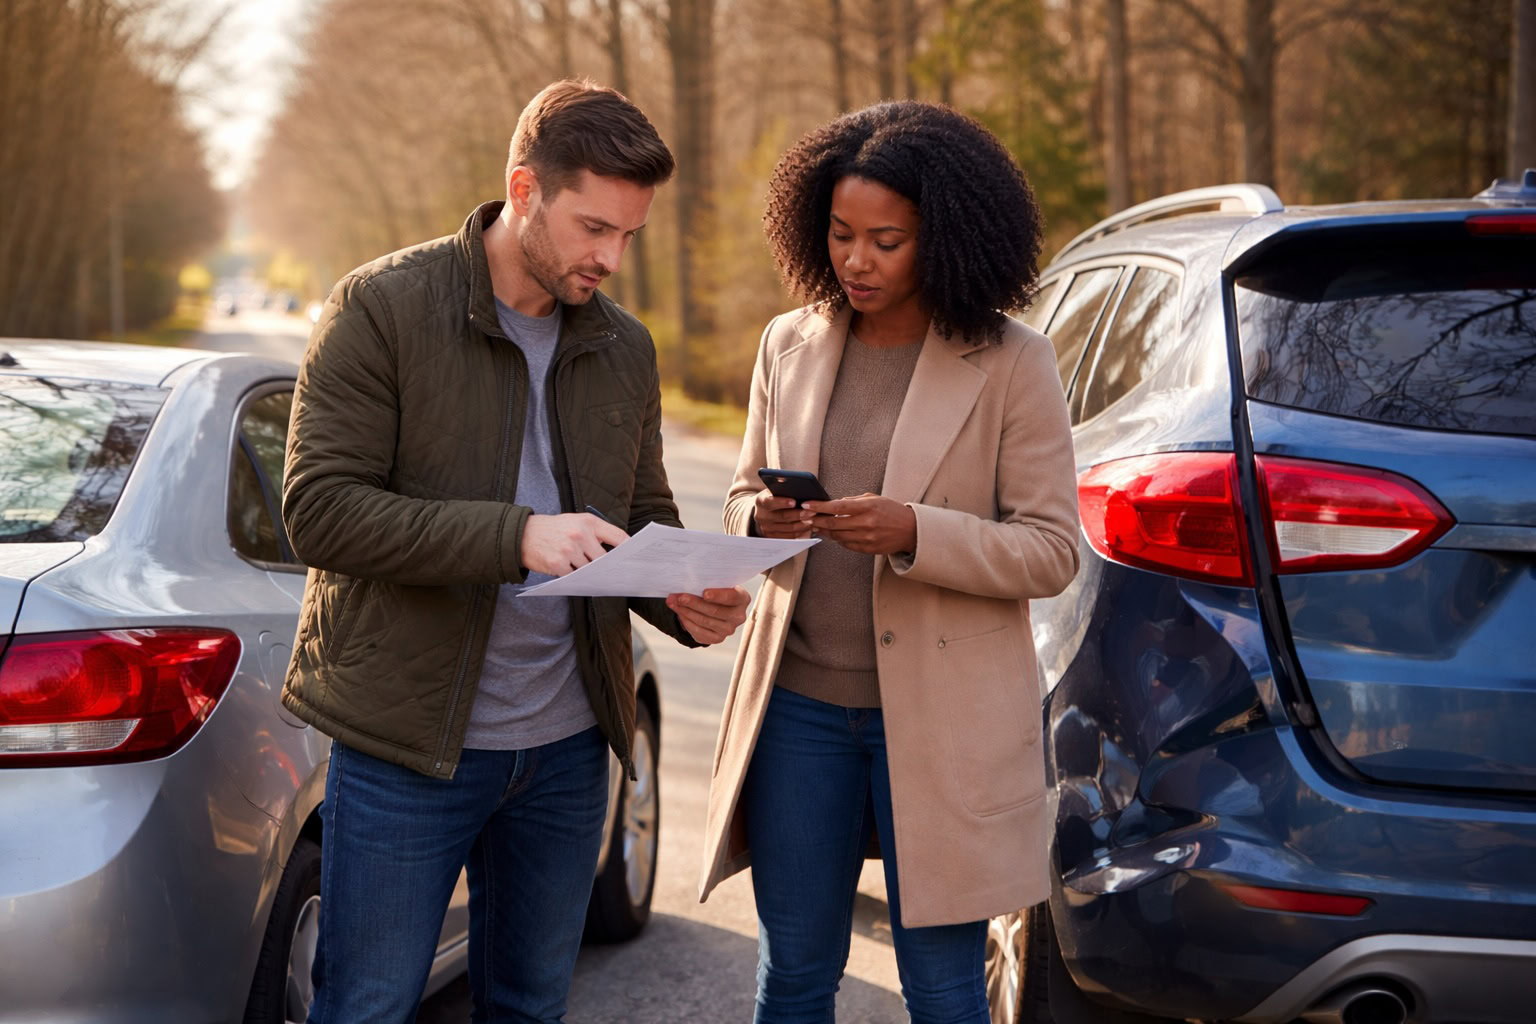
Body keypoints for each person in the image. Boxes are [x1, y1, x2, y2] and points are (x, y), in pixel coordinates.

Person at [280, 79, 749, 1023]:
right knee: (366, 1007)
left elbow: (640, 513)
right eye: (592, 228)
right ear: (523, 188)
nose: (611, 257)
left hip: (570, 748)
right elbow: (320, 511)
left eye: (629, 235)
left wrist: (685, 599)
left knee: (531, 1008)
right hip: (407, 748)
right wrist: (518, 535)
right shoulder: (380, 308)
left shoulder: (624, 348)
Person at [699, 101, 1081, 1023]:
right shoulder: (786, 343)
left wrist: (914, 531)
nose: (856, 261)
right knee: (792, 975)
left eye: (886, 240)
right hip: (797, 712)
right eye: (839, 235)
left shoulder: (1014, 362)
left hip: (944, 726)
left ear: (941, 239)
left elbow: (1053, 549)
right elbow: (739, 496)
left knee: (943, 988)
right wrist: (762, 516)